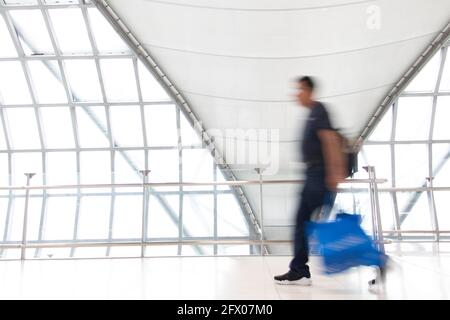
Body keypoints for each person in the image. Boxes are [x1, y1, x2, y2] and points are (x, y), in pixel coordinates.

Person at [274, 76, 346, 285]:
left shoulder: (319, 111)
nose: (296, 94)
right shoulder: (312, 114)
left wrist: (334, 174)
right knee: (310, 225)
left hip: (319, 176)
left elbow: (330, 141)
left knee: (303, 223)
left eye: (299, 90)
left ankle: (300, 270)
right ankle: (299, 269)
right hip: (313, 175)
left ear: (309, 91)